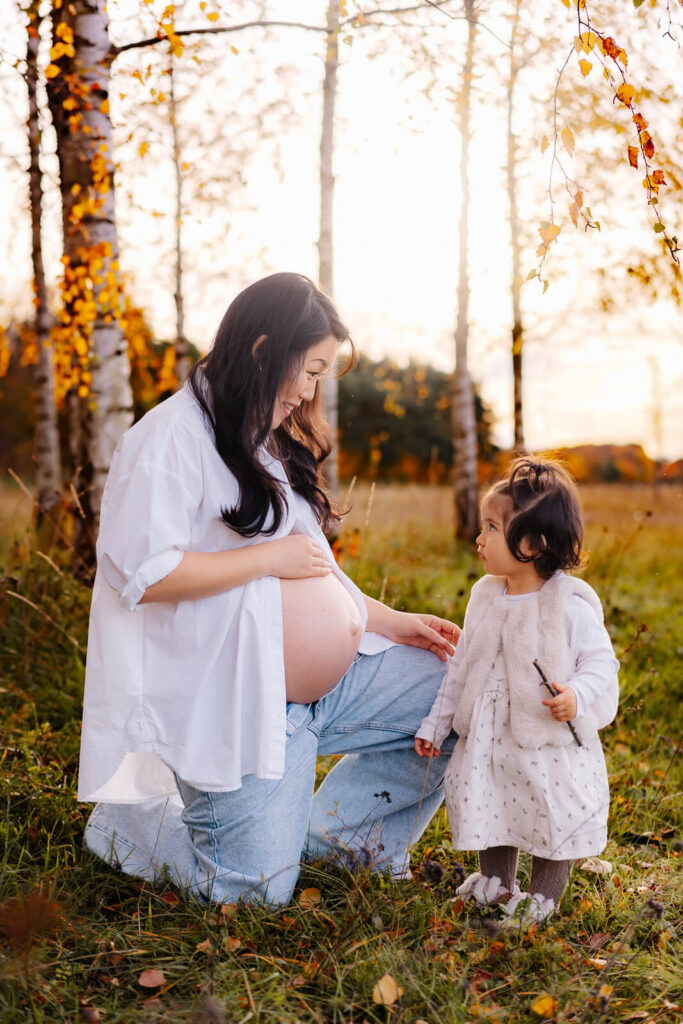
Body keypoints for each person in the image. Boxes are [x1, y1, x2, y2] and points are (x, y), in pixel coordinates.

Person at [79, 272, 460, 906]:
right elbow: (144, 576)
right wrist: (265, 560)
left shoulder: (261, 439)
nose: (312, 391)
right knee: (252, 896)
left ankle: (341, 842)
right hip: (241, 707)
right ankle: (131, 828)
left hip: (326, 695)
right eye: (311, 370)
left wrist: (384, 618)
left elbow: (307, 567)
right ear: (262, 352)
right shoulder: (167, 438)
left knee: (458, 688)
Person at [415, 456, 619, 926]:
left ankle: (543, 895)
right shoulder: (487, 595)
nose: (479, 539)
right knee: (492, 800)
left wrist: (577, 695)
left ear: (532, 543)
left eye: (491, 527)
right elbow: (463, 665)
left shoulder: (566, 602)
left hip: (545, 737)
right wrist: (436, 723)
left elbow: (601, 661)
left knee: (552, 809)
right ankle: (496, 882)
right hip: (491, 734)